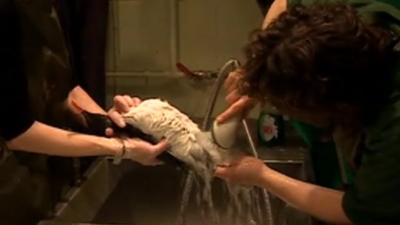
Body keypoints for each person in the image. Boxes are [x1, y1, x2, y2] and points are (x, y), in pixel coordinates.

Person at [215, 0, 400, 224]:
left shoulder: (392, 129)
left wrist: (262, 176)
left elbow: (358, 212)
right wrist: (261, 71)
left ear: (332, 104)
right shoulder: (347, 21)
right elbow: (283, 3)